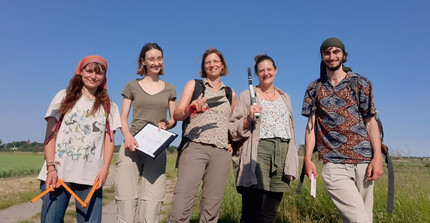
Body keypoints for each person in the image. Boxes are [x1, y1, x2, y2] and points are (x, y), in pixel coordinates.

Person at [302, 37, 384, 223]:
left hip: (363, 160)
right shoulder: (314, 88)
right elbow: (310, 127)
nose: (331, 56)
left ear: (343, 55)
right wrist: (307, 159)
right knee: (359, 219)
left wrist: (377, 157)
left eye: (336, 52)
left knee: (364, 217)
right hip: (333, 163)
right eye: (327, 52)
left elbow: (371, 122)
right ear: (322, 57)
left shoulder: (361, 83)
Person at [37, 55, 121, 222]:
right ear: (80, 72)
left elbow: (109, 141)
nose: (93, 76)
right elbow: (50, 136)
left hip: (91, 177)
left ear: (104, 77)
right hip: (59, 174)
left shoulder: (109, 105)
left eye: (99, 73)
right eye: (89, 71)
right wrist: (51, 168)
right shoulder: (63, 96)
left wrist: (105, 170)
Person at [168, 48, 237, 223]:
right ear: (203, 67)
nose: (212, 65)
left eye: (216, 61)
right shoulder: (194, 85)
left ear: (222, 65)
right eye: (208, 62)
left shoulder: (230, 93)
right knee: (182, 204)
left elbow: (230, 124)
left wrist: (230, 143)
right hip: (195, 146)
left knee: (212, 207)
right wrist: (190, 109)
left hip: (221, 153)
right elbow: (176, 115)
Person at [228, 54, 299, 223]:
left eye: (269, 69)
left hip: (282, 153)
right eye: (261, 70)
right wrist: (249, 119)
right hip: (258, 153)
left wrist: (293, 160)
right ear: (257, 73)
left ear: (275, 70)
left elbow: (292, 130)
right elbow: (232, 128)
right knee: (252, 211)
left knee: (270, 212)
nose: (266, 73)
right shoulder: (247, 96)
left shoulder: (285, 97)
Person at [115, 42, 177, 223]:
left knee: (152, 200)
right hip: (132, 144)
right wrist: (127, 136)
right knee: (126, 198)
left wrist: (167, 123)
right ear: (143, 61)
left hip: (156, 147)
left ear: (163, 60)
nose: (156, 62)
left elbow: (173, 119)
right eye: (151, 59)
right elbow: (123, 116)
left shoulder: (170, 88)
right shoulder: (131, 86)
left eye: (159, 58)